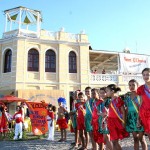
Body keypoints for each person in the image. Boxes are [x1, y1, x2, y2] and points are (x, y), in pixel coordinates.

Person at [124, 79, 147, 150]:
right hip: (131, 119)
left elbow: (142, 108)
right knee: (135, 139)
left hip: (139, 118)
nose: (131, 87)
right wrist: (125, 120)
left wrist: (139, 119)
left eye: (133, 85)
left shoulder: (140, 96)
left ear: (137, 85)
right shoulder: (127, 97)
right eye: (130, 85)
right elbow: (126, 109)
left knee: (141, 139)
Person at [106, 84, 129, 150]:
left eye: (107, 91)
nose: (106, 93)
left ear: (112, 91)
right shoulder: (111, 100)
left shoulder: (118, 99)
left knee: (114, 141)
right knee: (113, 141)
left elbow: (123, 111)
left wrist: (124, 122)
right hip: (111, 122)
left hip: (117, 121)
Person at [137, 68, 150, 140]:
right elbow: (141, 102)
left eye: (148, 74)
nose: (146, 76)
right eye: (144, 75)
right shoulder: (141, 88)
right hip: (145, 113)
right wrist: (138, 118)